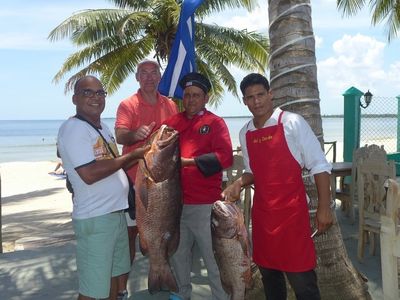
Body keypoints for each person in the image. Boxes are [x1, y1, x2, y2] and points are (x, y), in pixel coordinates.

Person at [221, 73, 333, 300]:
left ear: (270, 94)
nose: (256, 101)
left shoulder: (292, 122)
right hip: (263, 220)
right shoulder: (246, 132)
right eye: (250, 97)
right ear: (244, 101)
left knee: (304, 286)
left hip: (292, 218)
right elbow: (252, 171)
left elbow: (319, 165)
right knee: (271, 282)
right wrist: (239, 182)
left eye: (260, 95)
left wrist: (324, 207)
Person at [57, 75, 149, 300]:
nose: (95, 97)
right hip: (95, 218)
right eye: (88, 92)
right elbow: (89, 174)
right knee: (91, 290)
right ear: (75, 98)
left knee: (112, 281)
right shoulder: (74, 128)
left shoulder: (104, 128)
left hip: (115, 215)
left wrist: (142, 153)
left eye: (100, 92)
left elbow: (109, 165)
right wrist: (132, 156)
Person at [164, 72, 233, 300]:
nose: (190, 100)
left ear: (205, 98)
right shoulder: (173, 122)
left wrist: (189, 163)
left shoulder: (215, 123)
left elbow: (225, 158)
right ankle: (181, 296)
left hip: (205, 206)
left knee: (214, 260)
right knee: (178, 257)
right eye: (187, 95)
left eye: (196, 95)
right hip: (174, 205)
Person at [114, 59, 178, 295]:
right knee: (131, 234)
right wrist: (135, 135)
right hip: (134, 180)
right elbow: (120, 135)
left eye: (154, 73)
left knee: (166, 227)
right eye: (144, 73)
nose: (149, 77)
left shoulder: (170, 105)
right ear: (137, 77)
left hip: (165, 181)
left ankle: (164, 272)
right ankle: (121, 289)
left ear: (160, 77)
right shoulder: (128, 104)